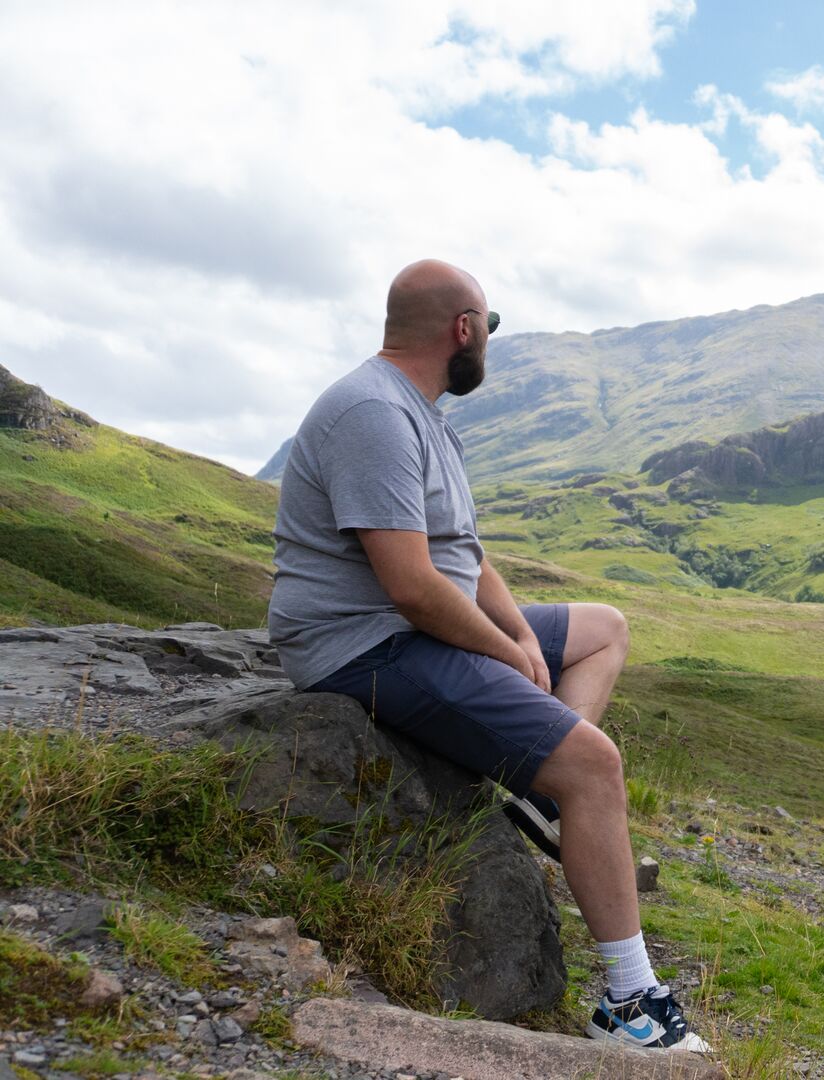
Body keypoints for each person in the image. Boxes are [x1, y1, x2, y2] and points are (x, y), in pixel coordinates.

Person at [266, 259, 709, 1053]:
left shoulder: (423, 416)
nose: (491, 341)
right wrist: (507, 651)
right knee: (596, 764)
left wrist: (512, 636)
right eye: (491, 326)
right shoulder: (372, 414)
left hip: (413, 626)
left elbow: (466, 557)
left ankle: (542, 794)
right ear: (462, 329)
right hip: (364, 644)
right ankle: (629, 1002)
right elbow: (408, 585)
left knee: (603, 628)